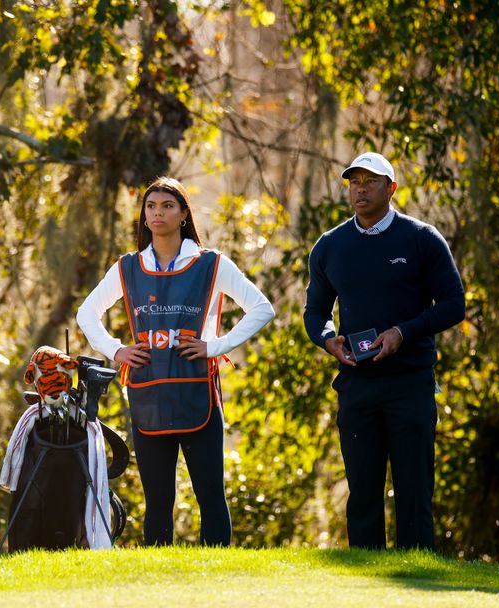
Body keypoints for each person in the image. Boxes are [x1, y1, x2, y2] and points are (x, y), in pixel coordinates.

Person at [77, 177, 274, 546]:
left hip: (198, 391)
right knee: (158, 501)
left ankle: (216, 573)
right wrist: (116, 350)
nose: (157, 213)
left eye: (167, 205)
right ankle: (157, 580)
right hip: (148, 393)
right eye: (151, 206)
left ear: (183, 213)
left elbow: (262, 308)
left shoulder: (210, 263)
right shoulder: (128, 266)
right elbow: (86, 314)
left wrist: (215, 346)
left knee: (210, 495)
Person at [304, 152, 465, 550]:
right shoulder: (330, 246)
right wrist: (328, 339)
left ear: (391, 188)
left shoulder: (421, 238)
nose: (360, 188)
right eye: (354, 181)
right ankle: (367, 580)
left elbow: (453, 304)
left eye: (370, 181)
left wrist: (402, 333)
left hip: (410, 383)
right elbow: (315, 312)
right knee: (362, 495)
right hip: (357, 387)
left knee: (413, 493)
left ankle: (418, 578)